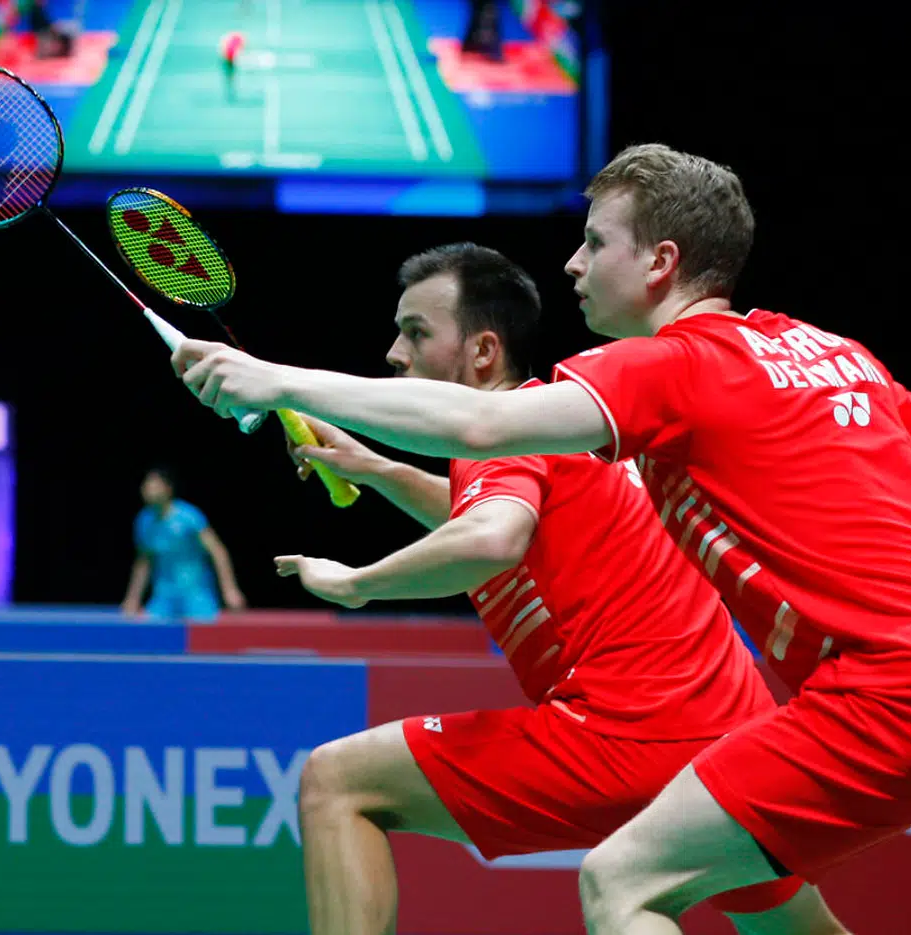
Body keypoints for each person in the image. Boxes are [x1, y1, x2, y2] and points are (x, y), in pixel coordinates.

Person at [171, 143, 911, 935]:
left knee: (622, 882)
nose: (573, 263)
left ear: (661, 262)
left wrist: (276, 379)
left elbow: (482, 429)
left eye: (596, 242)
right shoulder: (832, 350)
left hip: (896, 687)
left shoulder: (667, 366)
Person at [273, 243, 847, 935]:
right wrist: (376, 469)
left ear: (483, 351)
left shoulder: (502, 438)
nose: (395, 353)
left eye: (416, 332)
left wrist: (356, 583)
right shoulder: (566, 429)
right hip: (729, 737)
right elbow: (496, 515)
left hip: (622, 732)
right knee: (793, 929)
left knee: (338, 780)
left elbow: (491, 539)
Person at [121, 465, 246, 621]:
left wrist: (230, 590)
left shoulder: (189, 516)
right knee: (147, 630)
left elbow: (218, 551)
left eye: (154, 486)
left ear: (168, 489)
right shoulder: (144, 521)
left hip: (196, 595)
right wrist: (133, 598)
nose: (148, 490)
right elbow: (144, 562)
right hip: (164, 597)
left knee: (205, 633)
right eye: (146, 486)